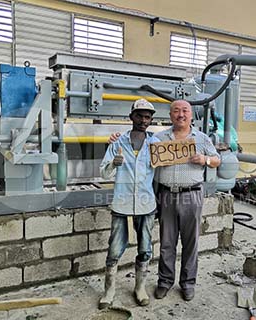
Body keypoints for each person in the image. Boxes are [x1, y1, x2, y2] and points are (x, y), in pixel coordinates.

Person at [109, 99, 221, 301]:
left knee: (190, 242)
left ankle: (187, 283)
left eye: (185, 111)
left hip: (192, 194)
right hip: (166, 194)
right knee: (167, 242)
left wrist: (205, 160)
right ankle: (165, 282)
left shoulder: (202, 138)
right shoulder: (158, 139)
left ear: (190, 114)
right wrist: (116, 139)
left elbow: (217, 160)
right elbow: (135, 150)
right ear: (170, 115)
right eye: (176, 111)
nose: (181, 114)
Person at [98, 99, 159, 309]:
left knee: (145, 248)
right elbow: (103, 171)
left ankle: (139, 288)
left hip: (146, 203)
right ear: (131, 116)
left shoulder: (155, 144)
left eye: (148, 117)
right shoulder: (118, 142)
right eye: (140, 115)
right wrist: (113, 164)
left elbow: (164, 169)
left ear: (151, 120)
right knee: (114, 249)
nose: (144, 120)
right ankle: (109, 290)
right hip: (121, 202)